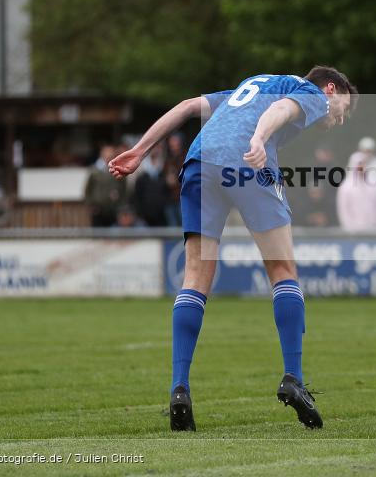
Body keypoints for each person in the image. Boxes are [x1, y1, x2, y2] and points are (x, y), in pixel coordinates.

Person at [108, 66, 356, 432]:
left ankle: (180, 388)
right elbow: (282, 111)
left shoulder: (252, 85)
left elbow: (188, 106)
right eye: (344, 108)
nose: (339, 118)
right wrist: (258, 140)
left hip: (199, 160)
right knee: (283, 270)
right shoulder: (312, 93)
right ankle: (294, 378)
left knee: (195, 276)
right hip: (246, 160)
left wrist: (139, 150)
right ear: (331, 89)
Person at [337, 151, 376, 231]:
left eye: (364, 164)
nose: (362, 167)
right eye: (359, 164)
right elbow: (343, 211)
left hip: (374, 230)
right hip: (354, 232)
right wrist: (349, 231)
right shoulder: (346, 187)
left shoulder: (374, 184)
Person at [85, 144, 127, 227]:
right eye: (107, 152)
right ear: (102, 153)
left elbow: (123, 188)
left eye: (111, 152)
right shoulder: (94, 170)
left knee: (112, 234)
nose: (109, 154)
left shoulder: (117, 168)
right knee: (98, 234)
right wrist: (90, 205)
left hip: (113, 209)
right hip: (98, 209)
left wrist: (120, 204)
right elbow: (88, 190)